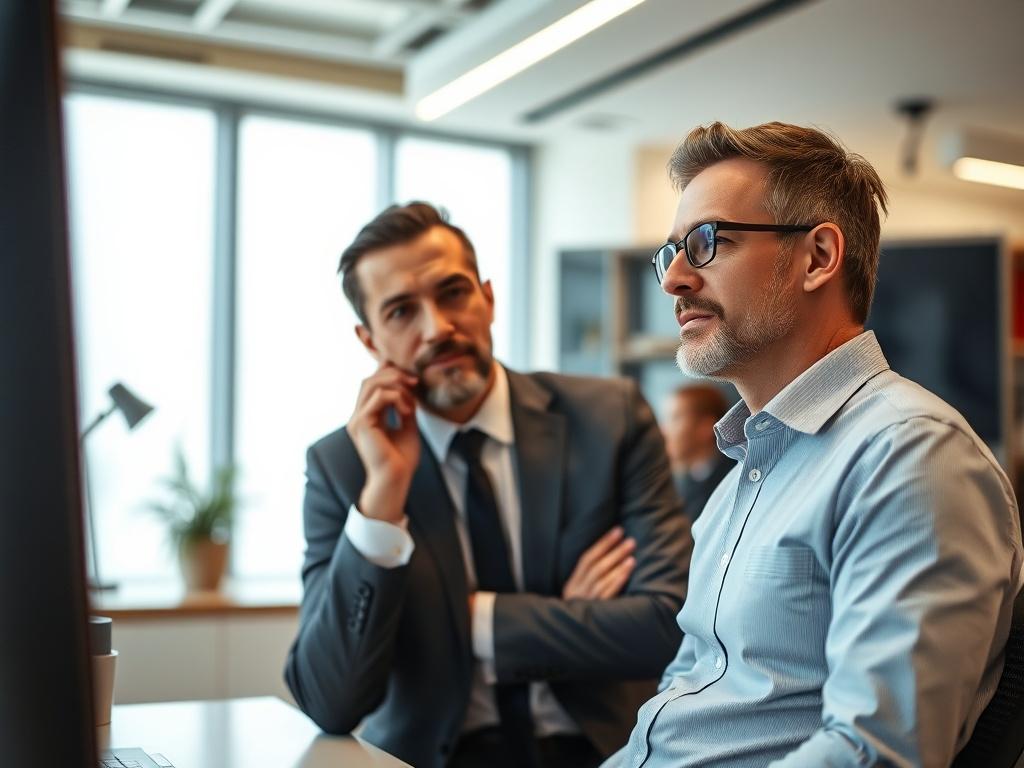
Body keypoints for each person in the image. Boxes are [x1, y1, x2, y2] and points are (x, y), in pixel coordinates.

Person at [603, 122, 1024, 767]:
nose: (674, 281)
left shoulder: (909, 455)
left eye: (708, 243)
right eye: (671, 253)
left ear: (820, 257)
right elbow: (682, 703)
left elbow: (876, 753)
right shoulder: (745, 472)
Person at [284, 202, 692, 768]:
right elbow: (330, 700)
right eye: (402, 311)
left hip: (601, 752)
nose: (438, 327)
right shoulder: (344, 466)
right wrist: (383, 494)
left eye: (453, 293)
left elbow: (668, 626)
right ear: (370, 341)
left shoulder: (609, 419)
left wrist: (479, 620)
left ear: (488, 298)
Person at [662, 384, 734, 522]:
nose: (664, 431)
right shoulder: (678, 482)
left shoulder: (730, 483)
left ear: (705, 427)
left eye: (675, 419)